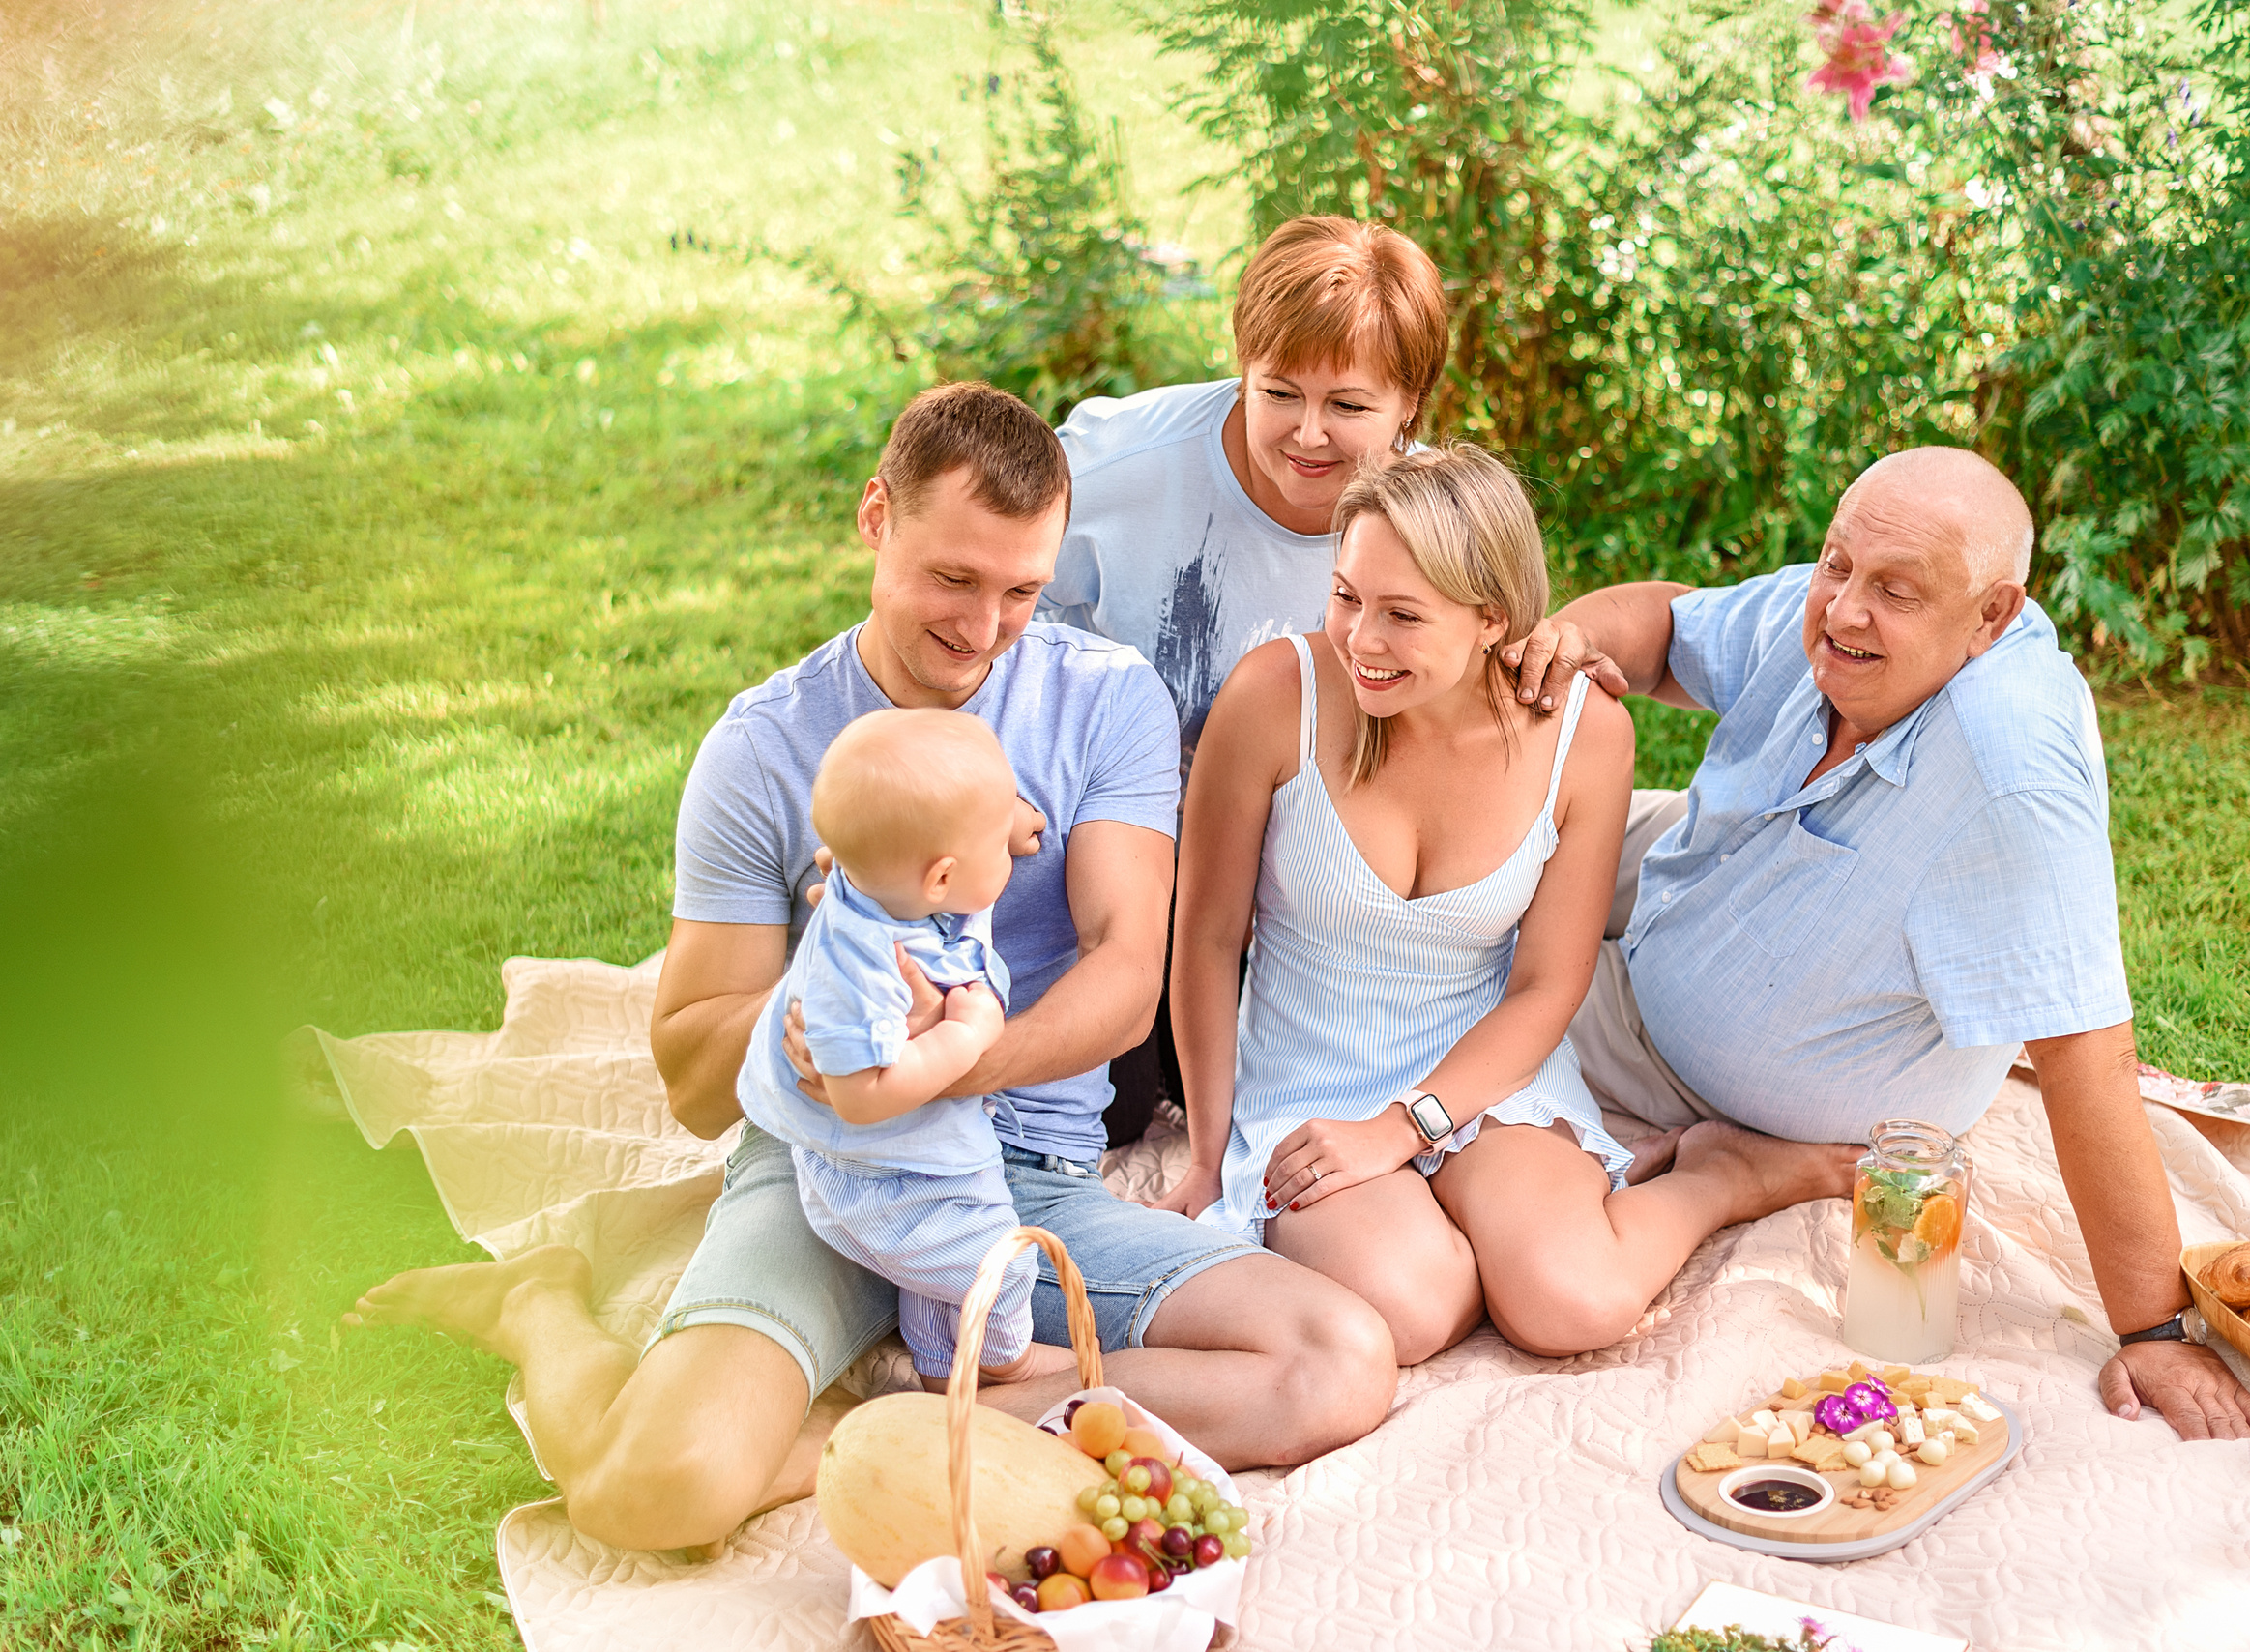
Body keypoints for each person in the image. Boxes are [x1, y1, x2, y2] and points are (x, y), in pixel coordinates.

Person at [343, 382, 1398, 1554]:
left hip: (1025, 1184)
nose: (983, 627)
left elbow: (1123, 978)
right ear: (874, 518)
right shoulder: (763, 746)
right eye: (953, 579)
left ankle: (887, 1416)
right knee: (652, 1494)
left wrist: (940, 1060)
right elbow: (692, 1078)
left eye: (1021, 591)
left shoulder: (1102, 700)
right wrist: (819, 1022)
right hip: (829, 1170)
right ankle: (539, 1304)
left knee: (1338, 1361)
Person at [1502, 445, 2250, 1441]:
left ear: (1991, 616)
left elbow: (2086, 1052)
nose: (1841, 611)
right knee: (1467, 845)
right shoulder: (1845, 601)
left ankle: (1741, 1165)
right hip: (1703, 856)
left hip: (1687, 1043)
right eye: (1836, 566)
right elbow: (1663, 628)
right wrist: (1568, 635)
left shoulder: (2009, 779)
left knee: (1434, 964)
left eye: (1893, 592)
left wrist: (2155, 1325)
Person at [1155, 446, 1862, 1365]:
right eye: (1346, 596)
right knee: (1411, 1309)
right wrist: (1210, 1159)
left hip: (1486, 1073)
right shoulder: (1274, 695)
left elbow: (1545, 986)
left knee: (1568, 1303)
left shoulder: (1586, 735)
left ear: (1493, 617)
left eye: (1403, 615)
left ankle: (1718, 1177)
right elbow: (1206, 940)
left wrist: (1401, 1129)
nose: (1360, 639)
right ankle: (1477, 1223)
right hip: (1311, 1084)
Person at [1038, 216, 1449, 1143]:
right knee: (1108, 1109)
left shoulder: (1436, 529)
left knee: (1295, 1108)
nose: (1309, 434)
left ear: (1409, 405)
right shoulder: (1112, 468)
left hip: (1304, 895)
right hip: (1116, 856)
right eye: (1278, 392)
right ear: (1241, 367)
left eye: (1349, 405)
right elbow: (987, 608)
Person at [735, 708, 1074, 1390]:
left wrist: (999, 820)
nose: (1013, 849)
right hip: (873, 1176)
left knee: (937, 1261)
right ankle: (1007, 1355)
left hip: (916, 1161)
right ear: (942, 879)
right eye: (1000, 846)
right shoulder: (860, 970)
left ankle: (941, 1363)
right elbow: (860, 1098)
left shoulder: (887, 878)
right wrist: (965, 1033)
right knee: (995, 1262)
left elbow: (944, 828)